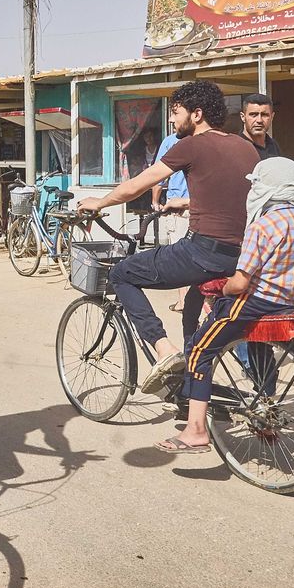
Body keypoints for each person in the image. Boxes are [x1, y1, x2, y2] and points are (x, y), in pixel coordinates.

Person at [77, 81, 258, 395]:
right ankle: (192, 384)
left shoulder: (189, 145)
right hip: (241, 255)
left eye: (176, 113)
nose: (172, 121)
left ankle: (163, 349)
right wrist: (187, 202)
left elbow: (138, 185)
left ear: (197, 114)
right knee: (191, 306)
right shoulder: (246, 147)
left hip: (204, 252)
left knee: (122, 274)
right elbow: (234, 196)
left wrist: (100, 202)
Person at [156, 157, 294, 453]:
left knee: (199, 350)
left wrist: (219, 287)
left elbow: (240, 283)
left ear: (266, 188)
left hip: (252, 303)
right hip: (287, 305)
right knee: (260, 350)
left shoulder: (263, 227)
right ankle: (267, 414)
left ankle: (195, 431)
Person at [153, 124, 190, 315]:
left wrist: (154, 201)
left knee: (179, 255)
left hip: (179, 208)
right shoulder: (205, 140)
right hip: (199, 207)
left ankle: (184, 300)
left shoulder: (170, 142)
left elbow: (158, 177)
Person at [239, 93, 281, 159]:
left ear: (272, 117)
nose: (259, 120)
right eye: (253, 115)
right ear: (243, 117)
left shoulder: (273, 145)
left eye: (264, 115)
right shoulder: (235, 147)